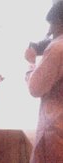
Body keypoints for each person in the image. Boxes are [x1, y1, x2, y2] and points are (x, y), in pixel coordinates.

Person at [25, 2, 63, 162]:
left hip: (57, 125)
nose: (49, 32)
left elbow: (35, 89)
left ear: (58, 21)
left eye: (51, 26)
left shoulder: (57, 47)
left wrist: (31, 62)